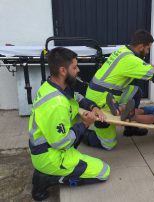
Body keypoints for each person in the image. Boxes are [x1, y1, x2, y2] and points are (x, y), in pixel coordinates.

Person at [28, 47, 110, 201]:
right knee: (103, 172)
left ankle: (51, 171)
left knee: (79, 136)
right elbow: (61, 142)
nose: (78, 70)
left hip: (47, 149)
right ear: (62, 70)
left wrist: (94, 107)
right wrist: (85, 124)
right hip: (52, 155)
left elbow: (77, 97)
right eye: (74, 67)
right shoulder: (56, 104)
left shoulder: (52, 85)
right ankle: (48, 178)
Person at [84, 29, 154, 150]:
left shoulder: (123, 51)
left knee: (136, 91)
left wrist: (150, 67)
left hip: (99, 92)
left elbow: (132, 64)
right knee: (108, 144)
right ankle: (83, 133)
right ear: (141, 46)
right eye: (148, 49)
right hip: (99, 100)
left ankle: (129, 126)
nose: (147, 52)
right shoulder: (132, 61)